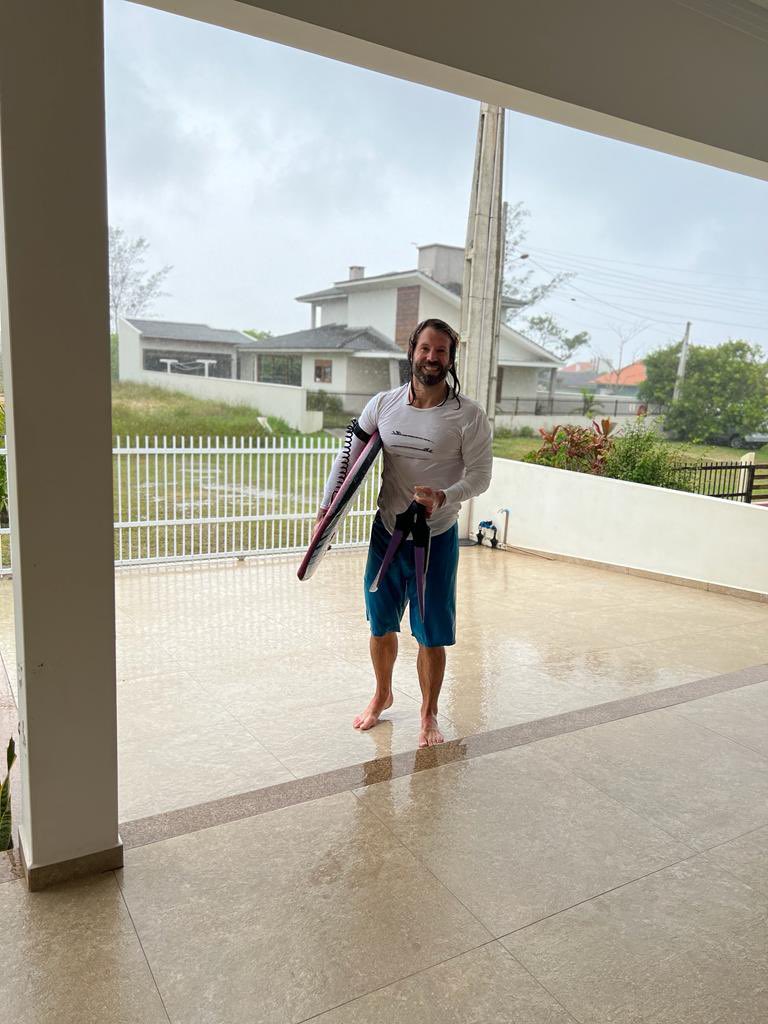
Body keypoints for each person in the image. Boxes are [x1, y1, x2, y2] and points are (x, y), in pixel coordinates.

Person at [315, 318, 493, 747]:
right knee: (380, 625)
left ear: (450, 359)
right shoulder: (383, 405)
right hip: (387, 533)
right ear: (412, 350)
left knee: (430, 633)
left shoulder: (468, 416)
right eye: (425, 348)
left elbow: (481, 477)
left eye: (441, 351)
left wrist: (445, 496)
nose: (432, 358)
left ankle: (428, 712)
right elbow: (348, 460)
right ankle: (382, 694)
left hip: (437, 538)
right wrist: (325, 512)